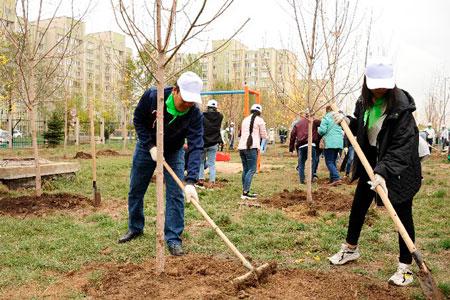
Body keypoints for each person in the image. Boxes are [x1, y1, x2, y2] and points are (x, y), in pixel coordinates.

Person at [328, 58, 422, 287]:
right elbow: (363, 127)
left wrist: (384, 172)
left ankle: (405, 266)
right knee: (359, 206)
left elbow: (402, 147)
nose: (379, 89)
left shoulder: (401, 110)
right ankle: (350, 249)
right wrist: (348, 121)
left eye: (384, 85)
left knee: (401, 213)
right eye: (375, 84)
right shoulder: (364, 101)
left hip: (399, 169)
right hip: (371, 163)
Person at [118, 71, 204, 257]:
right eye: (186, 99)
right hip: (146, 147)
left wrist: (190, 181)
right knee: (136, 188)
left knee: (176, 194)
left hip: (174, 151)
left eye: (192, 101)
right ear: (175, 90)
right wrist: (150, 146)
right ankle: (135, 227)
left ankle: (173, 238)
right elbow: (138, 120)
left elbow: (197, 146)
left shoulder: (194, 114)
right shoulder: (153, 97)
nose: (188, 104)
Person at [238, 104, 267, 199]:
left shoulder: (245, 120)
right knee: (252, 169)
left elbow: (241, 133)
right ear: (260, 112)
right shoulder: (260, 120)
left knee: (246, 169)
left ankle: (244, 190)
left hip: (242, 147)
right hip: (251, 147)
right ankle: (245, 193)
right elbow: (264, 135)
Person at [289, 113, 319, 184]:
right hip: (311, 144)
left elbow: (292, 136)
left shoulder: (298, 123)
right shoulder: (313, 121)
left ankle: (302, 180)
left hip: (301, 146)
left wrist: (291, 148)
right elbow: (323, 126)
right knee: (313, 161)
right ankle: (311, 178)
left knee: (301, 163)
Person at [198, 99, 223, 185]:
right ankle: (212, 181)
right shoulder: (220, 117)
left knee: (201, 162)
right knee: (212, 163)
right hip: (214, 143)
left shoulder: (202, 116)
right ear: (216, 108)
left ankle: (201, 179)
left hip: (203, 143)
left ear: (207, 107)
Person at [318, 106, 344, 185]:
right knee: (333, 161)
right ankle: (332, 179)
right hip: (339, 142)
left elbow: (322, 131)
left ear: (327, 110)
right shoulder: (338, 117)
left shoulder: (326, 118)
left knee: (329, 161)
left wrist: (318, 129)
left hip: (330, 142)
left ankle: (336, 178)